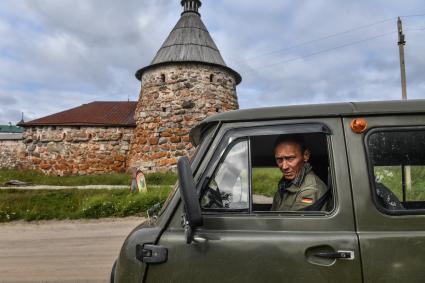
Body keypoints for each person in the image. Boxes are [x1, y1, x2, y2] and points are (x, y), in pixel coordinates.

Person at [270, 135, 328, 211]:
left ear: (305, 155)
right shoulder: (285, 184)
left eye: (290, 158)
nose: (284, 166)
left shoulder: (310, 190)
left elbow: (292, 222)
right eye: (279, 159)